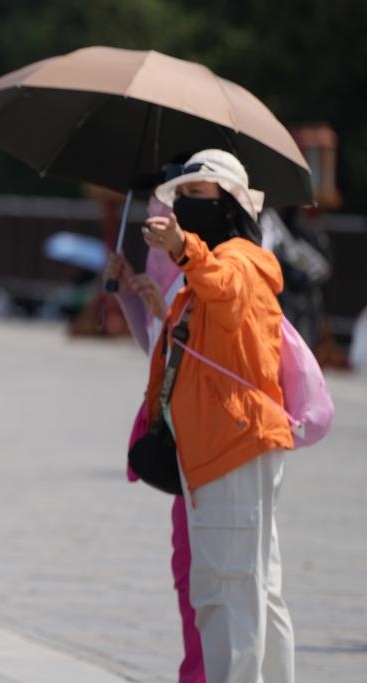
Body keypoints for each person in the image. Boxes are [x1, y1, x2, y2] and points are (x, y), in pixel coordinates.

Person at [142, 149, 294, 683]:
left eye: (197, 195)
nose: (185, 204)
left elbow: (223, 285)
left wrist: (182, 248)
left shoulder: (239, 261)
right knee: (255, 589)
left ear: (231, 205)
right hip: (230, 442)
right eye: (181, 195)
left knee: (227, 592)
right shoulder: (227, 264)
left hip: (231, 443)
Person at [105, 193, 204, 683]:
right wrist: (132, 295)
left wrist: (162, 310)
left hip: (210, 444)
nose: (152, 232)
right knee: (186, 570)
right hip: (180, 437)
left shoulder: (215, 271)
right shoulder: (174, 273)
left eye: (160, 222)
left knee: (208, 576)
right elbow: (156, 352)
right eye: (148, 223)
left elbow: (207, 359)